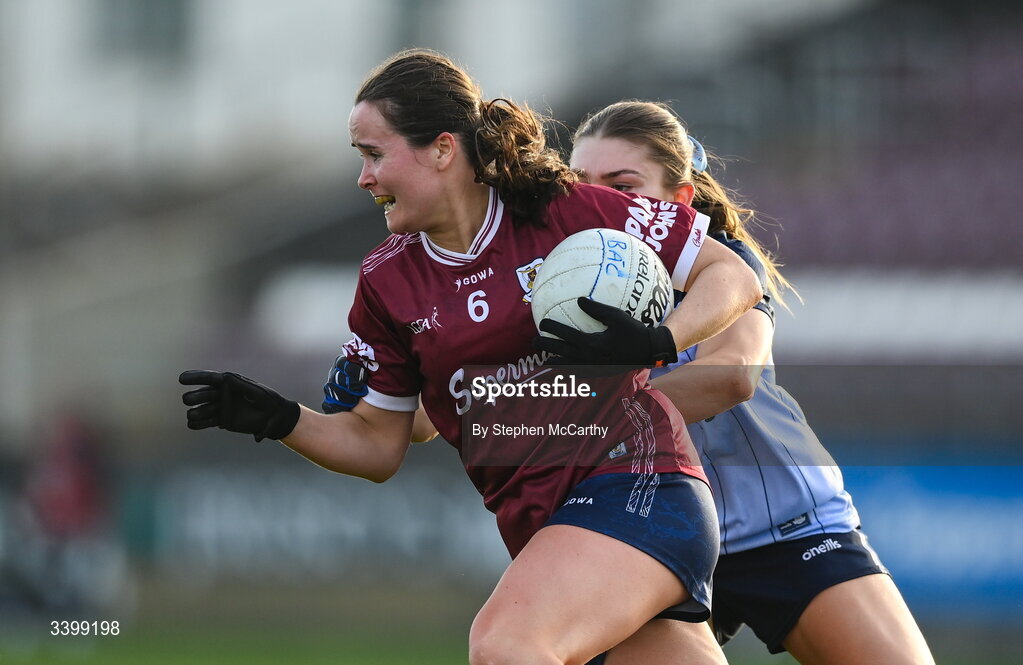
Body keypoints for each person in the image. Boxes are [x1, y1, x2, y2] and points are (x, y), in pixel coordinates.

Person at [180, 50, 762, 665]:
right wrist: (283, 420)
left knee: (505, 644)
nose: (364, 178)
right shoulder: (387, 282)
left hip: (638, 485)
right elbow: (378, 446)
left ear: (441, 148)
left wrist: (657, 341)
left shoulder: (565, 210)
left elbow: (732, 275)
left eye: (374, 155)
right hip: (543, 525)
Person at [569, 100, 935, 665]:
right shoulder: (554, 281)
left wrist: (572, 413)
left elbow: (732, 377)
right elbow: (456, 401)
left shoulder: (726, 266)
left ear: (679, 201)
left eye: (623, 185)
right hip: (655, 536)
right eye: (581, 184)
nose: (598, 203)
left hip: (785, 527)